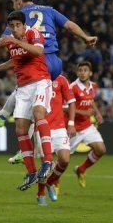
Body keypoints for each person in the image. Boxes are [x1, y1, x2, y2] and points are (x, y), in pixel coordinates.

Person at [0, 0, 98, 126]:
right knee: (36, 106)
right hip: (55, 62)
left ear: (18, 1)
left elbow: (2, 41)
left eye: (13, 2)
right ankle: (25, 132)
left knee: (24, 90)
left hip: (39, 60)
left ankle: (3, 116)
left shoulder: (19, 18)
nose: (13, 6)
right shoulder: (49, 10)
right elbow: (70, 25)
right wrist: (85, 37)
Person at [0, 10, 54, 191]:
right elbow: (11, 57)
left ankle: (48, 161)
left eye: (17, 25)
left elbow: (37, 51)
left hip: (40, 82)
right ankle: (31, 172)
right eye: (11, 26)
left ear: (24, 25)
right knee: (20, 128)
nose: (14, 29)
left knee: (38, 113)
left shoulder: (33, 33)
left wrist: (15, 41)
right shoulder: (11, 40)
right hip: (23, 88)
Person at [35, 74, 76, 205]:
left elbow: (71, 102)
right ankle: (40, 194)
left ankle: (50, 182)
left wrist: (70, 124)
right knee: (45, 164)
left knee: (64, 160)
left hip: (59, 127)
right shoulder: (36, 79)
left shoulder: (61, 79)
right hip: (42, 127)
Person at [70, 62, 106, 188]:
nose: (82, 72)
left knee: (101, 149)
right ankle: (54, 181)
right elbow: (64, 108)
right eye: (80, 70)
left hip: (86, 125)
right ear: (77, 73)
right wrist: (85, 112)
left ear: (90, 73)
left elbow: (91, 101)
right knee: (63, 159)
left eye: (85, 70)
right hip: (72, 127)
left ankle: (81, 169)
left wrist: (97, 113)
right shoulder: (72, 87)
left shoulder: (93, 86)